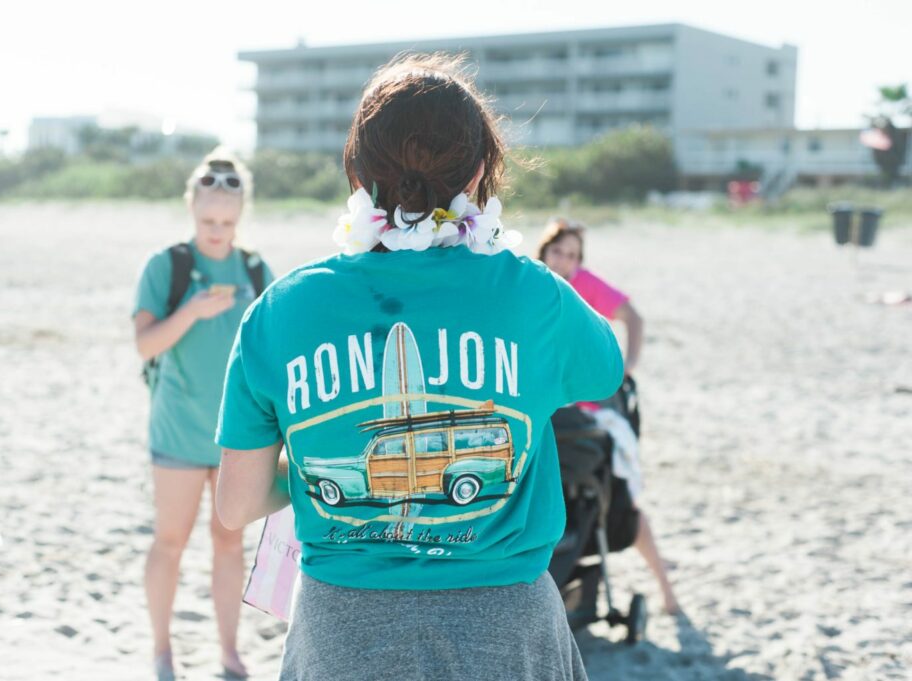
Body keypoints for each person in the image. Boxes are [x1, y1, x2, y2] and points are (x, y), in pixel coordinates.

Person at [214, 54, 625, 681]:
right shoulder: (532, 294)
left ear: (356, 169)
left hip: (342, 631)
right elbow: (604, 373)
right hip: (504, 623)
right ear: (482, 170)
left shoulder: (281, 310)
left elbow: (237, 503)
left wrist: (308, 455)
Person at [132, 148, 273, 680]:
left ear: (241, 217)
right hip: (177, 431)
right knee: (169, 541)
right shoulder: (168, 267)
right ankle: (162, 649)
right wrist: (191, 309)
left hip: (237, 437)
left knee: (229, 541)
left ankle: (229, 652)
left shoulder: (257, 271)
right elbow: (144, 345)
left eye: (228, 223)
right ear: (191, 207)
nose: (218, 232)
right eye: (209, 220)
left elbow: (272, 355)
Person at [538, 218, 680, 614]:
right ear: (543, 250)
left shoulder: (582, 287)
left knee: (619, 499)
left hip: (584, 413)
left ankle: (667, 592)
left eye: (571, 255)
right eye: (557, 252)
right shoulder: (530, 285)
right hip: (546, 411)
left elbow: (633, 317)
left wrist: (628, 365)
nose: (564, 261)